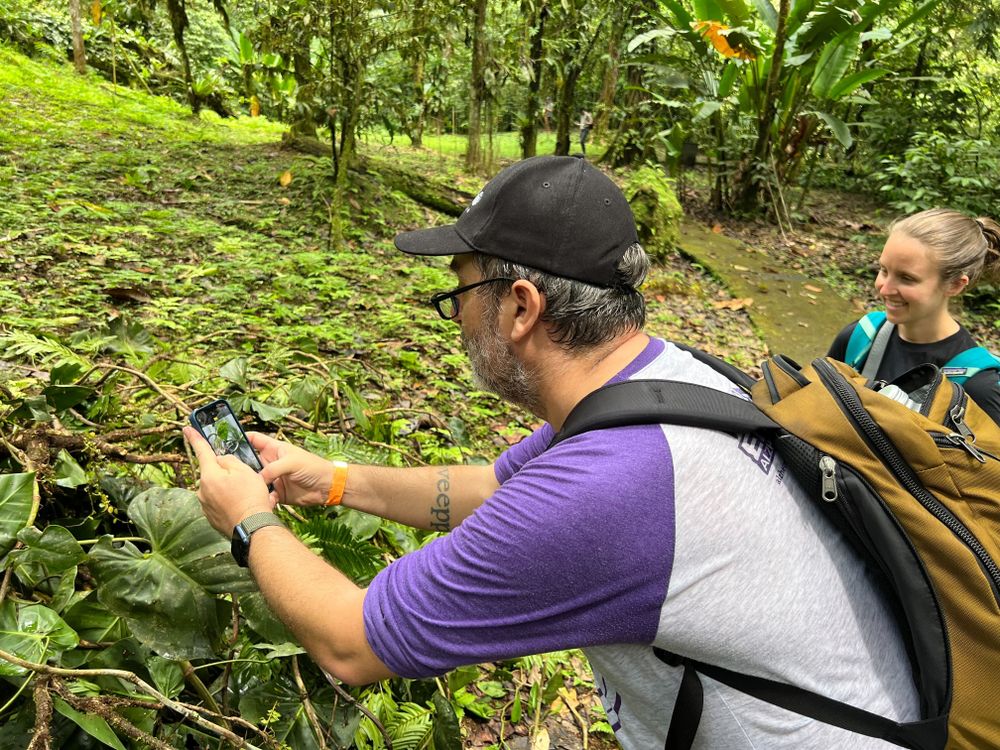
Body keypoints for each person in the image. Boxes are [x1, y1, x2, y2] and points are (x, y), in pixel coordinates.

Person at [185, 156, 917, 749]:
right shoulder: (660, 377)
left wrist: (250, 522)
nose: (458, 317)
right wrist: (334, 479)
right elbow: (493, 487)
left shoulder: (608, 487)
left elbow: (350, 643)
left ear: (522, 306)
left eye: (461, 292)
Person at [827, 208, 1000, 424]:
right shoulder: (860, 338)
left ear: (955, 285)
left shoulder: (978, 386)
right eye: (884, 270)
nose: (884, 289)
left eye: (906, 278)